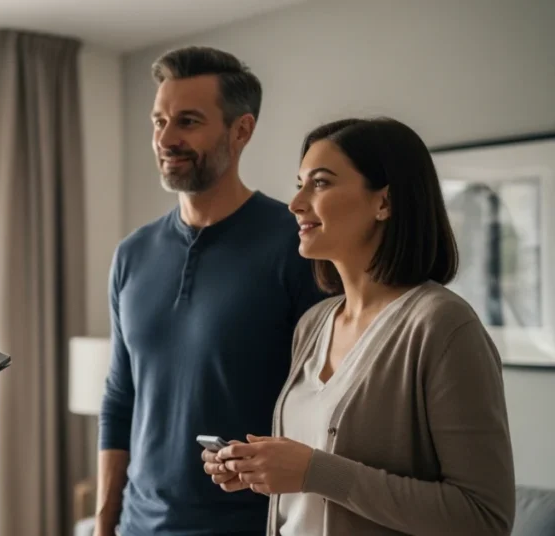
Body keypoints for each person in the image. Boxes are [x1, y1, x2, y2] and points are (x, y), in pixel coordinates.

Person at [203, 117, 516, 534]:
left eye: (320, 183)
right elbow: (317, 490)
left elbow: (484, 518)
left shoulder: (442, 326)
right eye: (299, 183)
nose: (295, 202)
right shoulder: (314, 325)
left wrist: (316, 472)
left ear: (384, 202)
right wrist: (263, 469)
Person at [95, 46, 326, 536]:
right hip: (139, 526)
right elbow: (120, 398)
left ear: (241, 130)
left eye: (188, 122)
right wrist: (103, 523)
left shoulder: (297, 245)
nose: (166, 138)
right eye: (159, 121)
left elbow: (327, 406)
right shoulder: (131, 254)